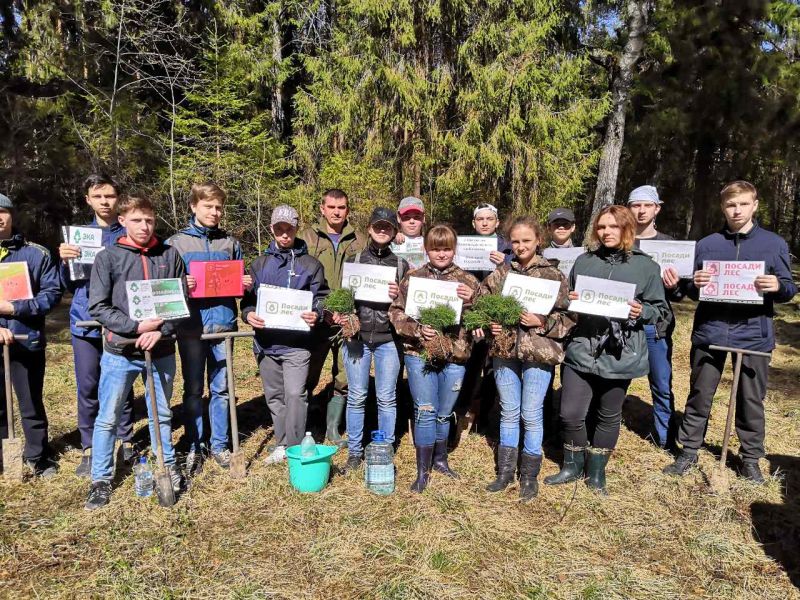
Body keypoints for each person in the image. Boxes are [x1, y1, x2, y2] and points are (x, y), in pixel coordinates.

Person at [663, 181, 797, 483]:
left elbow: (789, 288)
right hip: (710, 332)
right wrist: (694, 284)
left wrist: (777, 285)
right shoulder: (707, 244)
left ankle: (750, 459)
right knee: (700, 394)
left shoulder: (773, 243)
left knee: (751, 399)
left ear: (755, 205)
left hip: (753, 335)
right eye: (731, 205)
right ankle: (689, 451)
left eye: (743, 204)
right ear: (722, 207)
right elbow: (690, 290)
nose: (737, 210)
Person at [544, 205, 669, 494]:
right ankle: (572, 466)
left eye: (613, 226)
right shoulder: (584, 261)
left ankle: (596, 472)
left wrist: (642, 311)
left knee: (608, 414)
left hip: (620, 352)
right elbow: (567, 303)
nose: (606, 232)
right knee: (570, 413)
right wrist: (572, 299)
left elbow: (661, 311)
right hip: (582, 347)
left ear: (627, 229)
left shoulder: (646, 267)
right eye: (601, 227)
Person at [85, 195, 187, 510]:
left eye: (149, 220)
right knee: (108, 416)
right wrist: (135, 327)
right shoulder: (108, 257)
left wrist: (160, 330)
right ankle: (101, 479)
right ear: (123, 221)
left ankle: (166, 465)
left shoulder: (169, 255)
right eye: (137, 220)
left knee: (162, 413)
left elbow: (181, 301)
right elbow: (98, 306)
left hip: (162, 350)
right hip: (120, 351)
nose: (144, 226)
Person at [473, 216, 576, 501]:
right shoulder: (502, 273)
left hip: (539, 352)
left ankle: (529, 476)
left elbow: (569, 317)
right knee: (509, 411)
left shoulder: (553, 275)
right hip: (505, 351)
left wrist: (541, 321)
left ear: (538, 241)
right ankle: (505, 472)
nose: (520, 246)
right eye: (515, 241)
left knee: (530, 413)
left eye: (526, 240)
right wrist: (489, 323)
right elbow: (479, 303)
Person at [166, 182, 252, 474]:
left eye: (218, 207)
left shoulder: (229, 243)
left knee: (222, 388)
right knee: (193, 389)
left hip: (223, 325)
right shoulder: (176, 244)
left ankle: (219, 444)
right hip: (191, 327)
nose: (215, 212)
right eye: (208, 206)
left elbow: (238, 280)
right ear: (194, 206)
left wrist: (244, 282)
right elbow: (166, 287)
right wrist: (182, 284)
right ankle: (195, 442)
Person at [389, 225, 479, 492]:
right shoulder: (413, 277)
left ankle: (440, 460)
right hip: (419, 354)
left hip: (455, 355)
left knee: (444, 413)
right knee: (426, 411)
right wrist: (418, 330)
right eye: (436, 249)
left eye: (447, 249)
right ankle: (422, 471)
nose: (441, 254)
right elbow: (396, 313)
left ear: (454, 249)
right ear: (426, 249)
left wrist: (473, 300)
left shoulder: (468, 280)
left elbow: (482, 318)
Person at [59, 174, 136, 477]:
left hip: (120, 321)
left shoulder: (129, 233)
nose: (105, 202)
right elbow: (69, 285)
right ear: (88, 200)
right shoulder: (78, 237)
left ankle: (126, 439)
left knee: (122, 382)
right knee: (88, 384)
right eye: (98, 196)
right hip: (85, 321)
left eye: (110, 196)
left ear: (118, 199)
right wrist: (64, 262)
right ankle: (90, 445)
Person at [241, 205, 329, 465]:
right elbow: (247, 302)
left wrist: (316, 313)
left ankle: (296, 446)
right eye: (279, 228)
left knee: (295, 394)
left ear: (296, 228)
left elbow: (322, 297)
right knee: (275, 397)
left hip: (297, 345)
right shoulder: (259, 265)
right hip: (266, 344)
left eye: (289, 228)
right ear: (272, 229)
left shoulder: (311, 264)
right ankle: (281, 443)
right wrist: (248, 314)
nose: (284, 234)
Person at [337, 207, 409, 472]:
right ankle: (355, 453)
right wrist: (342, 315)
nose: (382, 230)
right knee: (357, 396)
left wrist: (398, 294)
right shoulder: (354, 260)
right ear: (369, 229)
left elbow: (409, 306)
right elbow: (342, 299)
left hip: (388, 339)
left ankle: (384, 450)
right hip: (358, 338)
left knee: (386, 397)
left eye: (387, 227)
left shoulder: (401, 265)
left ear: (394, 232)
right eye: (377, 226)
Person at [0, 194, 62, 478]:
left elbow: (51, 294)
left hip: (27, 340)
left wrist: (15, 308)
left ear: (11, 215)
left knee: (30, 402)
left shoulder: (37, 254)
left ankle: (37, 456)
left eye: (2, 212)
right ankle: (4, 457)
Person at [298, 189, 365, 447]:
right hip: (316, 318)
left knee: (344, 375)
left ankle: (333, 427)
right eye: (332, 207)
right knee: (307, 373)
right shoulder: (306, 238)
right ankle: (302, 423)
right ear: (322, 208)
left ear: (348, 210)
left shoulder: (359, 240)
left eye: (342, 207)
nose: (337, 212)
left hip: (348, 319)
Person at [628, 184, 682, 449]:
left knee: (661, 383)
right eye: (636, 205)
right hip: (623, 325)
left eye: (647, 205)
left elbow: (681, 295)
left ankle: (665, 438)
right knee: (613, 381)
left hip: (655, 326)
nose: (641, 211)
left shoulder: (671, 246)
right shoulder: (621, 242)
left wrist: (675, 286)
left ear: (657, 209)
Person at [454, 202, 512, 440]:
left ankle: (485, 418)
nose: (485, 223)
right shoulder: (463, 246)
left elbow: (519, 278)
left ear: (497, 222)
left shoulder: (509, 249)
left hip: (497, 317)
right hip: (470, 315)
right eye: (480, 219)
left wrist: (504, 264)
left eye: (489, 219)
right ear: (473, 223)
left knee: (492, 369)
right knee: (469, 364)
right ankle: (461, 412)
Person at [391, 196, 426, 269]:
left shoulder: (431, 243)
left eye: (417, 217)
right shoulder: (390, 242)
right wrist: (390, 237)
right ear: (398, 218)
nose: (412, 221)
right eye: (406, 217)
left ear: (423, 218)